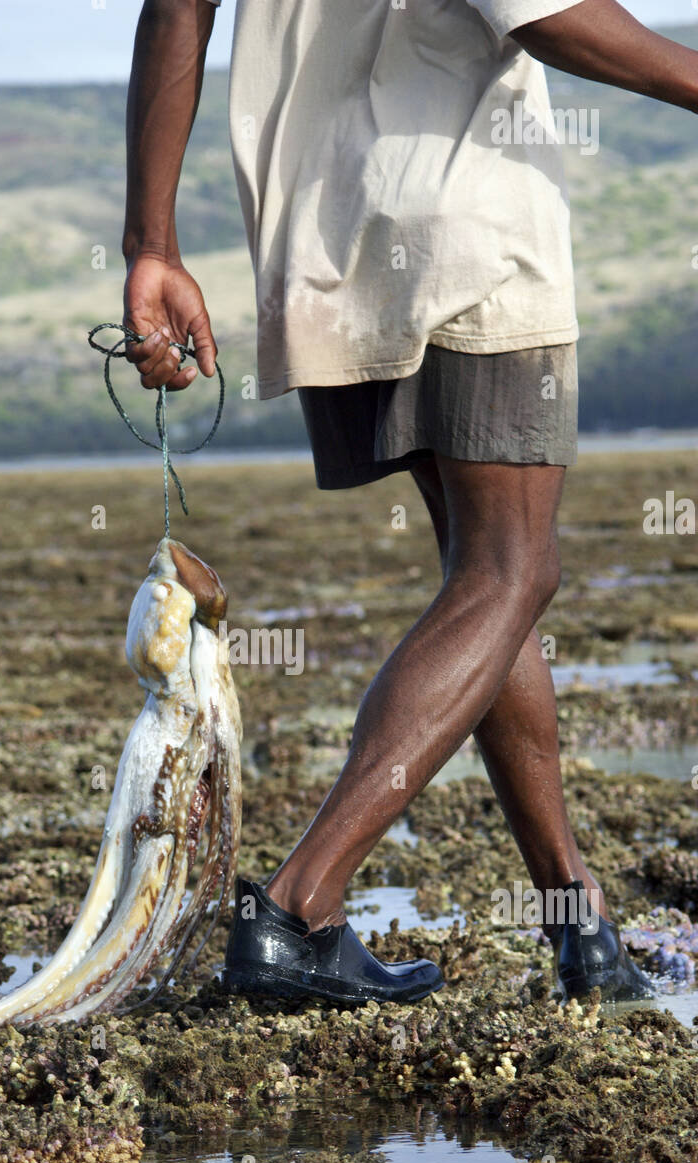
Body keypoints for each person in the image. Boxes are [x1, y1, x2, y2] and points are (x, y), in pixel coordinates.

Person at [120, 0, 696, 1006]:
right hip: (461, 228)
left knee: (483, 575)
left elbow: (177, 6)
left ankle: (578, 925)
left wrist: (151, 244)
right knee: (514, 570)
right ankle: (299, 908)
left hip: (323, 237)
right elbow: (547, 14)